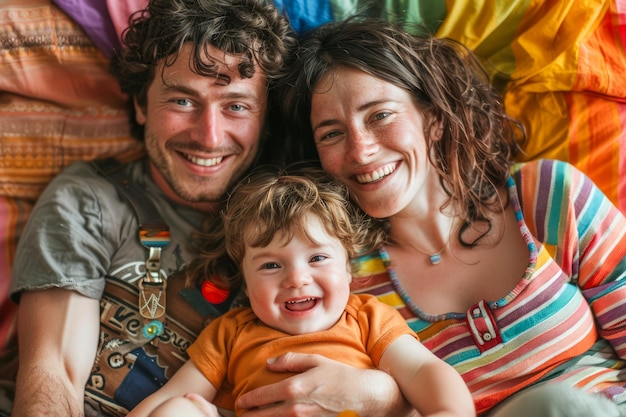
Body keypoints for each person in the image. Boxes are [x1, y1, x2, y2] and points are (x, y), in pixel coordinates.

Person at [274, 18, 626, 417]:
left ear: (434, 118)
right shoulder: (345, 283)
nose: (361, 151)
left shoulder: (547, 196)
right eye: (332, 134)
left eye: (379, 115)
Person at [1, 0, 300, 415]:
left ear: (265, 118)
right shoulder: (90, 199)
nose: (209, 137)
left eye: (236, 106)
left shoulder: (297, 223)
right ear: (141, 105)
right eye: (181, 101)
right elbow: (54, 372)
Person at [126, 167, 475, 417]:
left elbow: (421, 372)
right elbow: (170, 397)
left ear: (348, 268)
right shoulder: (230, 333)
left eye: (318, 258)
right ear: (245, 284)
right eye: (271, 266)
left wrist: (448, 410)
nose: (296, 278)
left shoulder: (366, 318)